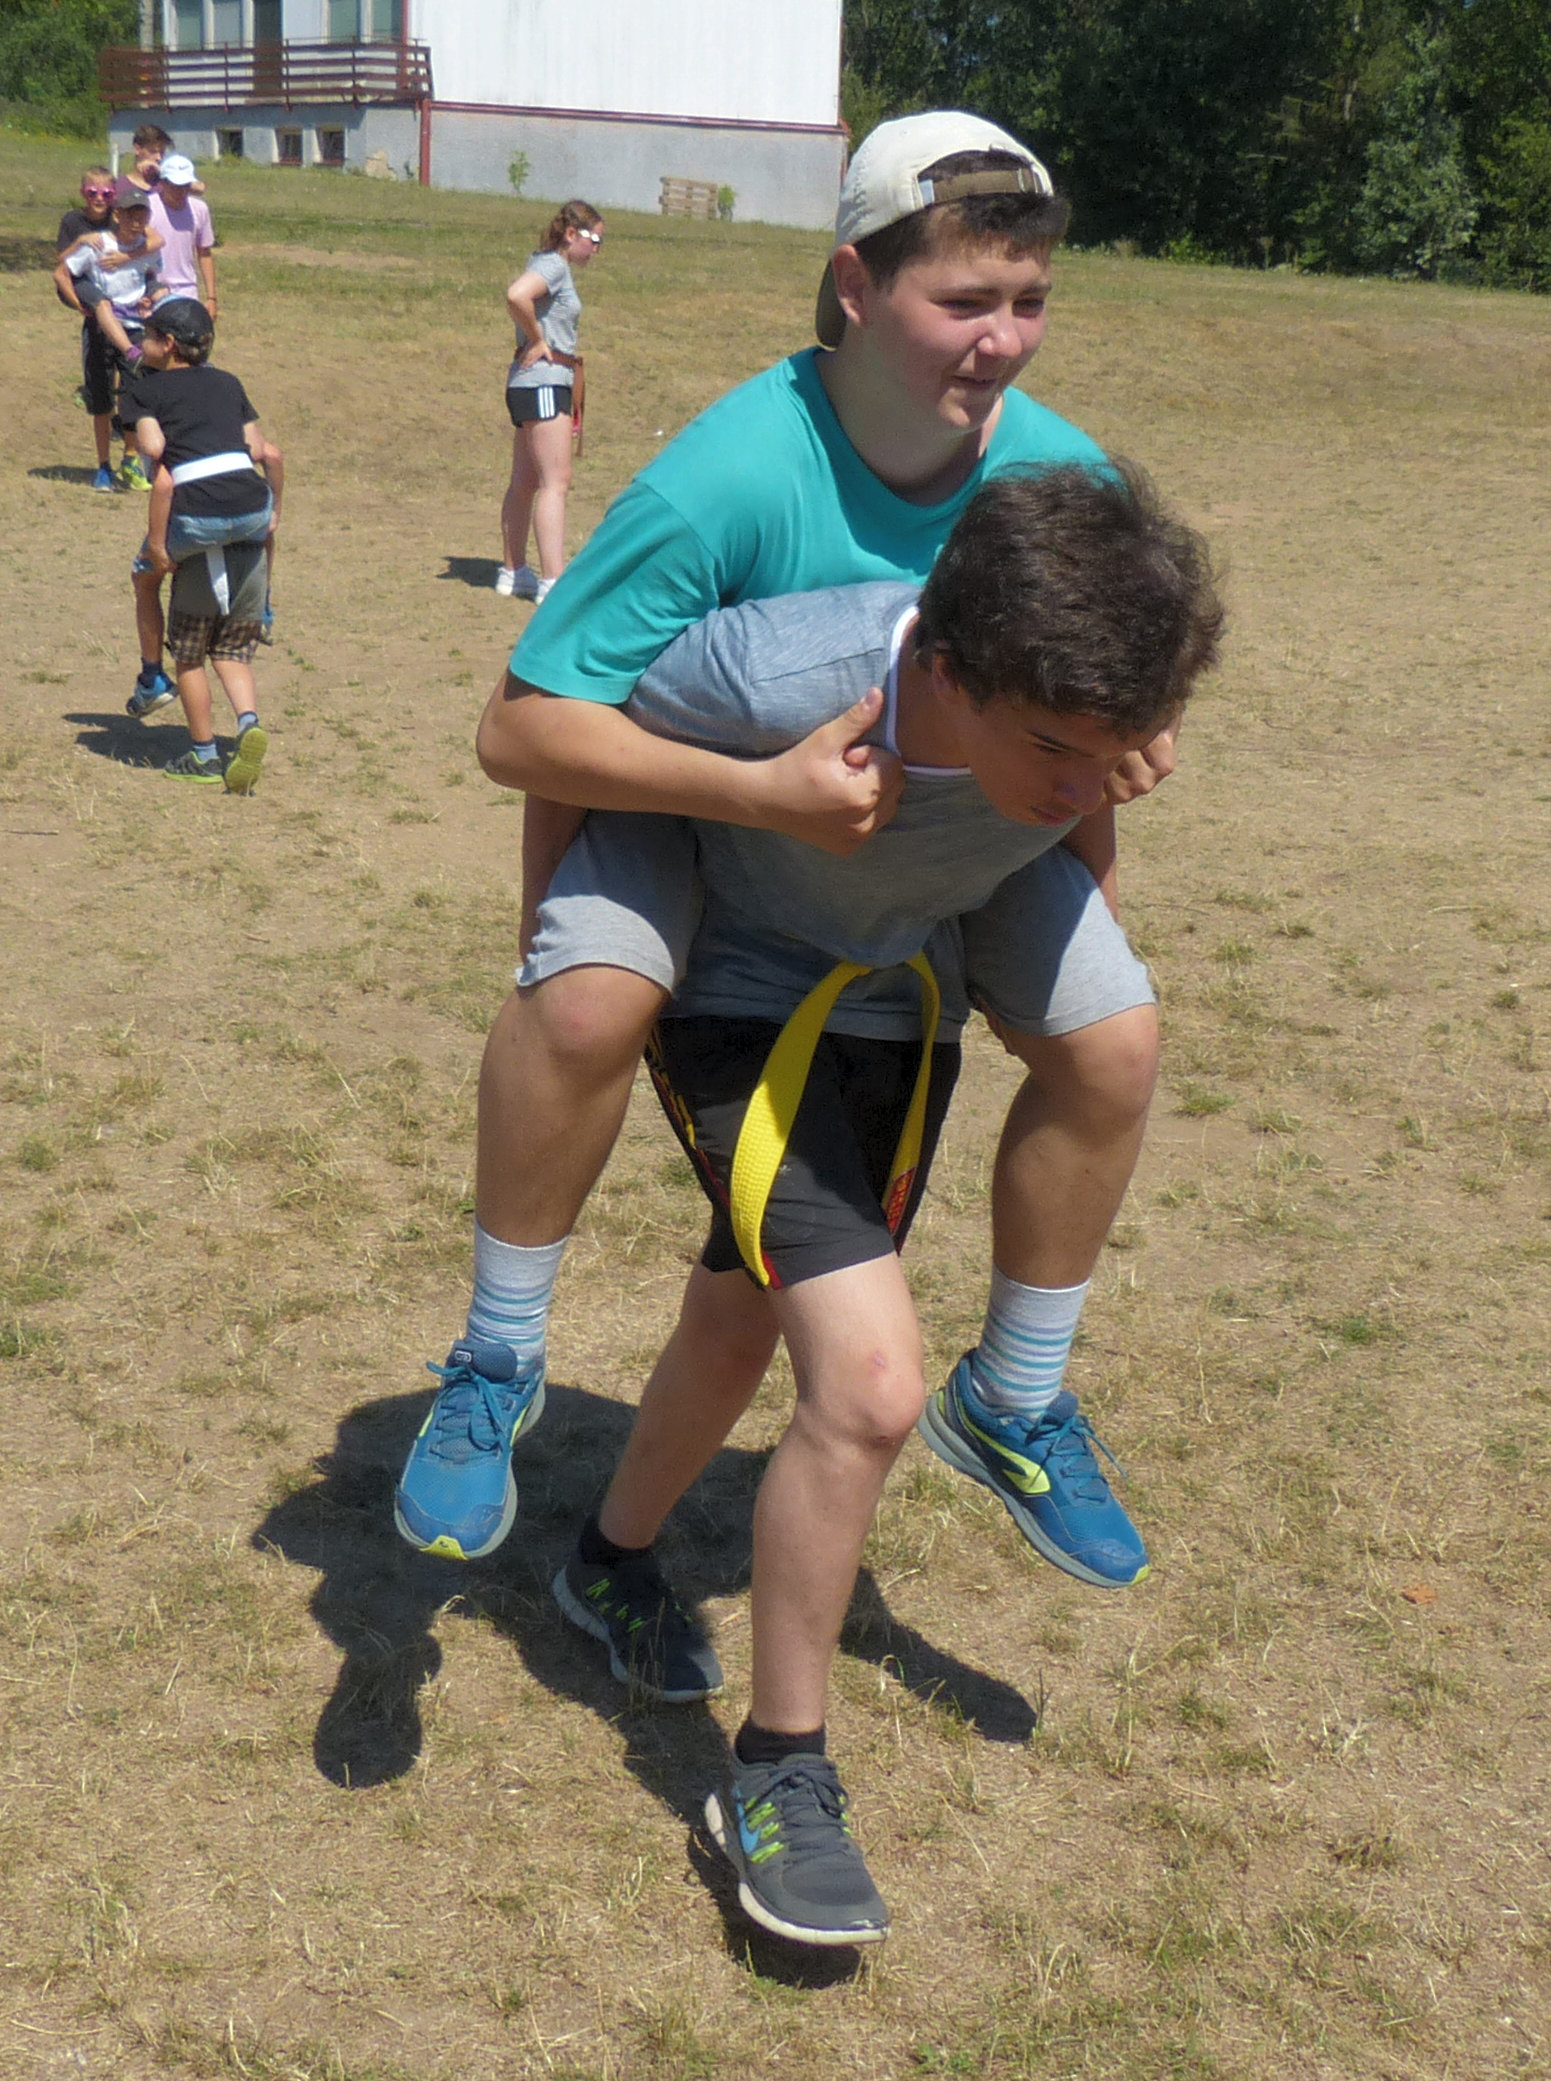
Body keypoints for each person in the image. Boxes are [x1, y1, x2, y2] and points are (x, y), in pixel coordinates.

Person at [396, 112, 1181, 1583]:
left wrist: (1125, 756)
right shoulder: (733, 474)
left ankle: (1015, 1393)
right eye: (964, 299)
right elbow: (521, 728)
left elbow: (1096, 717)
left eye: (1028, 302)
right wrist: (757, 797)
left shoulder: (1066, 482)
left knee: (1112, 1043)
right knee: (587, 1003)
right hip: (709, 811)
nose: (1002, 341)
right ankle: (497, 1356)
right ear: (855, 284)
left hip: (945, 833)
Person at [514, 466, 1221, 1945]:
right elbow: (562, 740)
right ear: (946, 670)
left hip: (902, 1003)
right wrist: (567, 957)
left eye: (1112, 752)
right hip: (737, 1003)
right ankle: (779, 1770)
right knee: (870, 1385)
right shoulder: (776, 672)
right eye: (1053, 750)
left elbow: (1068, 822)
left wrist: (1085, 833)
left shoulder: (1083, 719)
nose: (1081, 782)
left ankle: (605, 1563)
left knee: (743, 1311)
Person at [117, 298, 281, 750]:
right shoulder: (229, 382)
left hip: (196, 516)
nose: (142, 343)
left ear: (168, 344)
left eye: (149, 335)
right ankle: (263, 611)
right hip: (252, 507)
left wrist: (157, 546)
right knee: (231, 641)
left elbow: (156, 455)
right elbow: (259, 450)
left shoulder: (144, 390)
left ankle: (152, 677)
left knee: (144, 577)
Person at [494, 199, 603, 602]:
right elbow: (516, 296)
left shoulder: (544, 263)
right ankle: (553, 581)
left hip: (528, 383)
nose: (596, 250)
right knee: (555, 483)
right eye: (594, 240)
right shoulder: (554, 265)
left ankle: (514, 572)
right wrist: (539, 340)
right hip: (544, 382)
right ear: (571, 234)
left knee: (525, 481)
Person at [52, 179, 164, 491]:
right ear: (117, 215)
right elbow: (61, 272)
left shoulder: (147, 249)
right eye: (130, 214)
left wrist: (151, 296)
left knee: (134, 399)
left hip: (136, 331)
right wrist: (79, 305)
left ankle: (130, 459)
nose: (136, 221)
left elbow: (152, 279)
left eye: (141, 215)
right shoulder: (99, 244)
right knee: (101, 403)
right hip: (100, 332)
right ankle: (103, 467)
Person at [153, 536, 273, 791]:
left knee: (189, 660)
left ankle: (204, 755)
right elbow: (270, 529)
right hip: (251, 567)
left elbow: (163, 507)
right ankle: (248, 722)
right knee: (232, 656)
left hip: (199, 567)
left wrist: (156, 546)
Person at [55, 166, 119, 490]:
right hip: (85, 295)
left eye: (106, 193)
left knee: (130, 388)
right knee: (100, 393)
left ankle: (133, 457)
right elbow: (61, 264)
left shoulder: (120, 219)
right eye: (92, 192)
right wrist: (81, 241)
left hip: (119, 303)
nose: (99, 199)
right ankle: (104, 465)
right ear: (83, 193)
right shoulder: (72, 221)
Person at [147, 153, 217, 312]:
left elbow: (204, 253)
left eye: (185, 186)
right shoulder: (148, 207)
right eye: (175, 186)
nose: (180, 191)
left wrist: (211, 298)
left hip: (187, 290)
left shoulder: (199, 209)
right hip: (153, 289)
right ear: (163, 183)